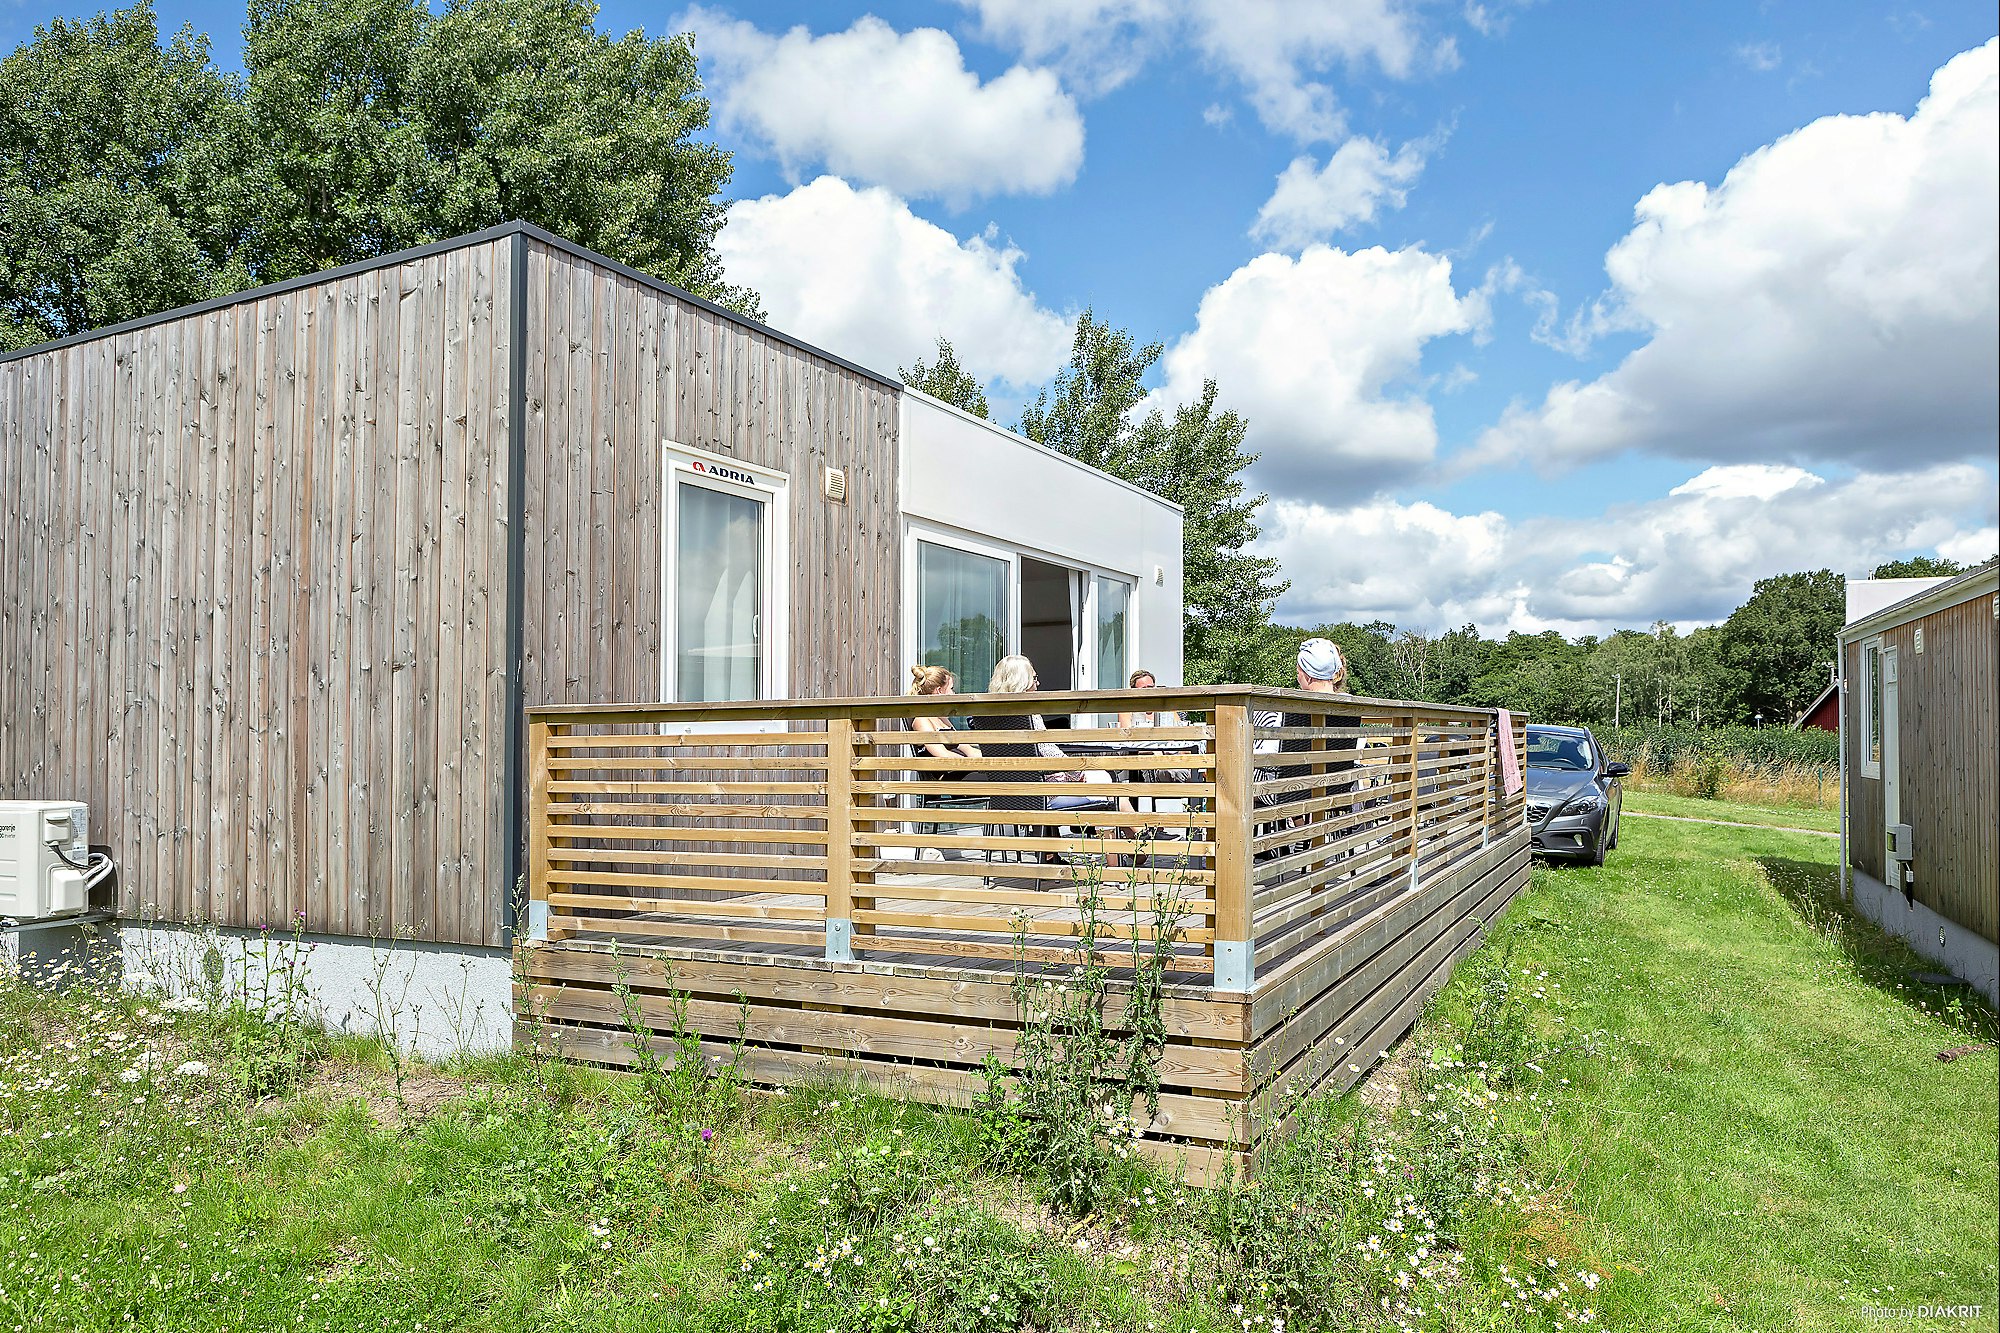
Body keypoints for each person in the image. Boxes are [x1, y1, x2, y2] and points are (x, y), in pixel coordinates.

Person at [973, 654, 1135, 867]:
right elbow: (1047, 751)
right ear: (1022, 681)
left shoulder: (986, 716)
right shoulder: (1026, 713)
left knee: (1104, 784)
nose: (1038, 683)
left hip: (1009, 794)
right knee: (1104, 781)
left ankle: (1133, 843)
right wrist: (1077, 771)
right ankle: (1127, 854)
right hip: (1044, 794)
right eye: (1034, 678)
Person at [1252, 638, 1360, 855]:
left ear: (1308, 675)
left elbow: (1270, 756)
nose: (1297, 677)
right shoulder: (1349, 704)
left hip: (1290, 791)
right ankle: (1300, 835)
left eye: (1298, 672)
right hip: (1334, 787)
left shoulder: (1297, 705)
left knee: (1241, 776)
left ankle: (1257, 849)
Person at [906, 664, 981, 764]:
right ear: (939, 691)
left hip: (960, 767)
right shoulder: (921, 720)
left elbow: (968, 749)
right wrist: (971, 764)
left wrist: (994, 760)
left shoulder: (941, 718)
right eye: (951, 689)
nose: (953, 693)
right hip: (947, 771)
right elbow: (942, 754)